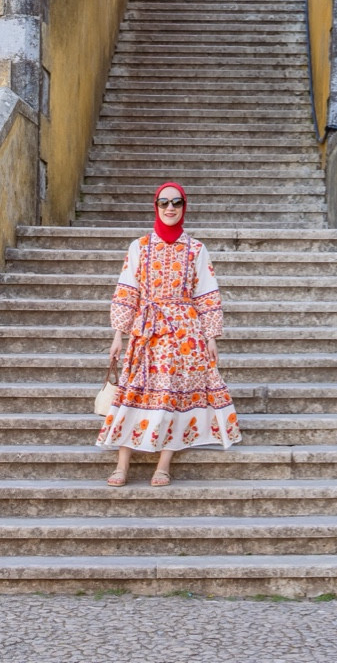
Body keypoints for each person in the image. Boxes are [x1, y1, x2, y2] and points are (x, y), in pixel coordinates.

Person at [97, 180, 240, 487]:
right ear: (156, 206)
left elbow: (207, 293)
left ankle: (164, 463)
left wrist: (211, 336)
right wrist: (117, 335)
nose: (170, 208)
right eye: (164, 202)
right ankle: (122, 462)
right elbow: (127, 290)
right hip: (146, 329)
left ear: (184, 207)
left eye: (177, 202)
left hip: (184, 334)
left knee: (172, 396)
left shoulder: (197, 249)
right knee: (134, 389)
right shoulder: (139, 247)